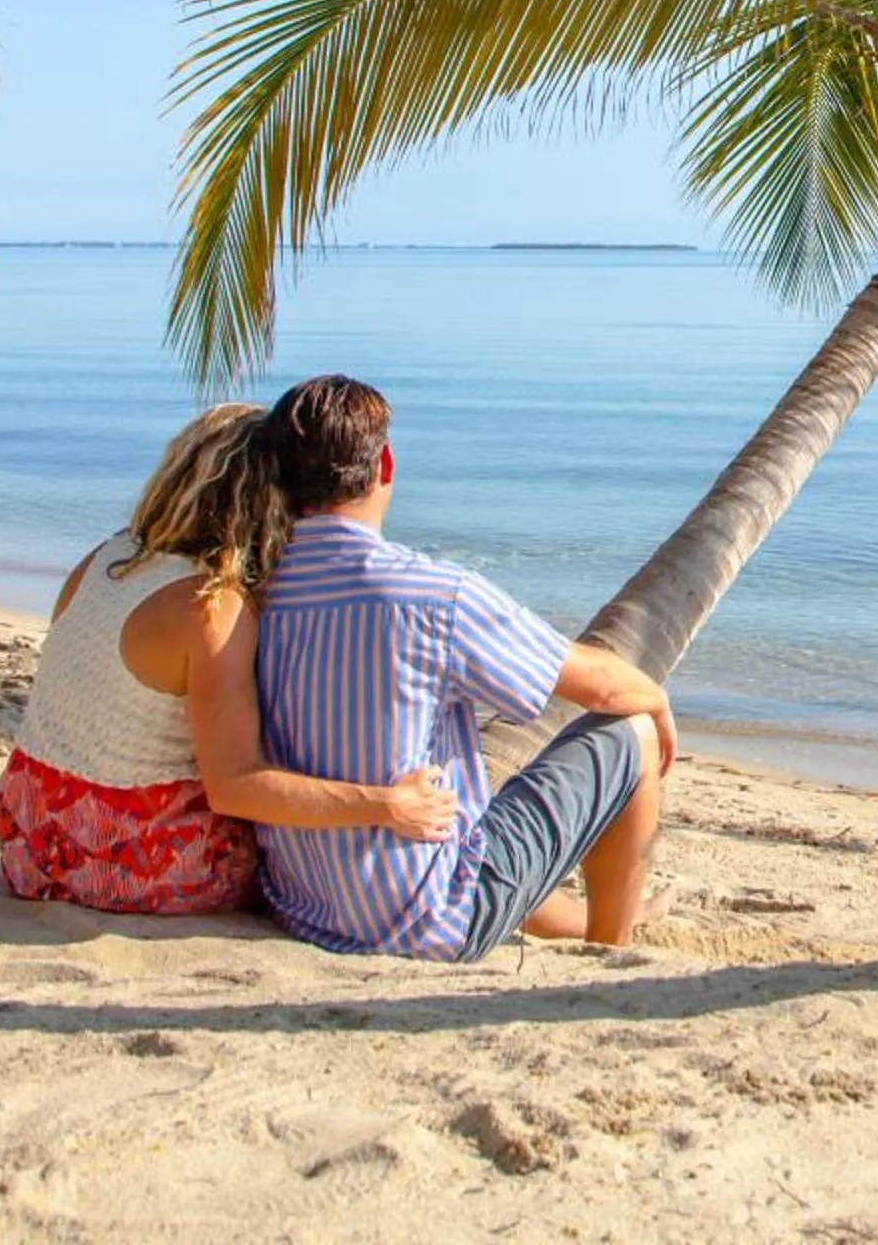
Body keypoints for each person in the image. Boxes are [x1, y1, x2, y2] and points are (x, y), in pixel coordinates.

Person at [248, 374, 677, 959]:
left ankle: (583, 921)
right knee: (632, 734)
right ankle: (611, 952)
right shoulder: (432, 595)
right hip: (428, 922)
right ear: (385, 465)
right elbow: (596, 684)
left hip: (305, 908)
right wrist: (657, 702)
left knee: (480, 815)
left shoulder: (252, 597)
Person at [0, 405, 458, 915]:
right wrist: (387, 806)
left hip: (30, 839)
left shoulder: (110, 557)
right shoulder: (211, 608)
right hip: (121, 865)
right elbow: (235, 787)